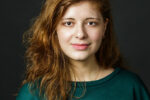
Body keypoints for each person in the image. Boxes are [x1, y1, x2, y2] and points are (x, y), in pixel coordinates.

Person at [16, 0, 150, 100]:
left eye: (91, 23)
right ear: (54, 29)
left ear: (104, 27)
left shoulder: (130, 87)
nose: (80, 34)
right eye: (68, 23)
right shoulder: (33, 93)